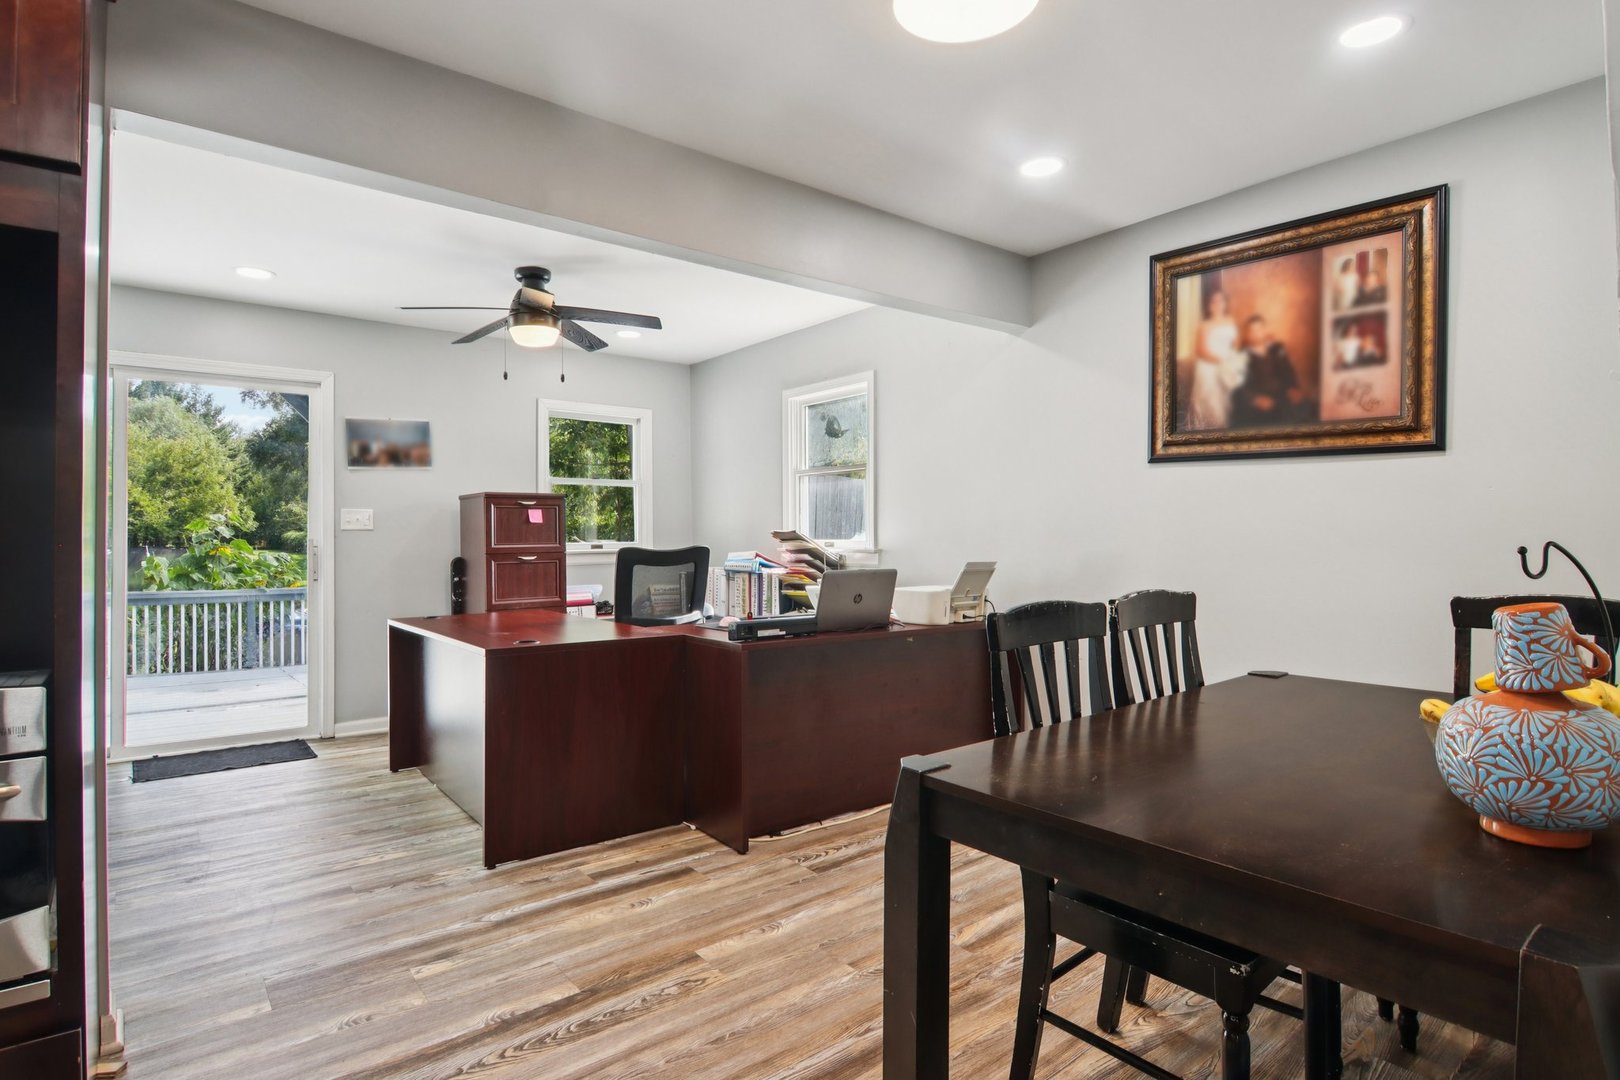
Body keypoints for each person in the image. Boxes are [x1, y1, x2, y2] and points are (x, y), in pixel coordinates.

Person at [1231, 315, 1311, 427]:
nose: (1256, 333)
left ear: (1264, 331)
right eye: (1252, 331)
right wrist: (1255, 399)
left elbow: (1288, 371)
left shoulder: (1276, 349)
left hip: (1281, 393)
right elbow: (1239, 385)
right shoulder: (1243, 356)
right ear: (1247, 334)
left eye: (1259, 329)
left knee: (1306, 407)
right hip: (1259, 396)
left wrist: (1292, 388)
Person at [1185, 289, 1245, 429]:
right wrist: (1221, 361)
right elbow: (1200, 350)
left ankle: (1224, 430)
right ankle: (1209, 430)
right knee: (1212, 402)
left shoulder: (1231, 321)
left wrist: (1233, 359)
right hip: (1208, 366)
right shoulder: (1205, 325)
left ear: (1225, 304)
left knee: (1227, 401)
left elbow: (1237, 344)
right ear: (1209, 305)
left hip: (1227, 365)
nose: (1217, 304)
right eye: (1214, 301)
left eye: (1220, 301)